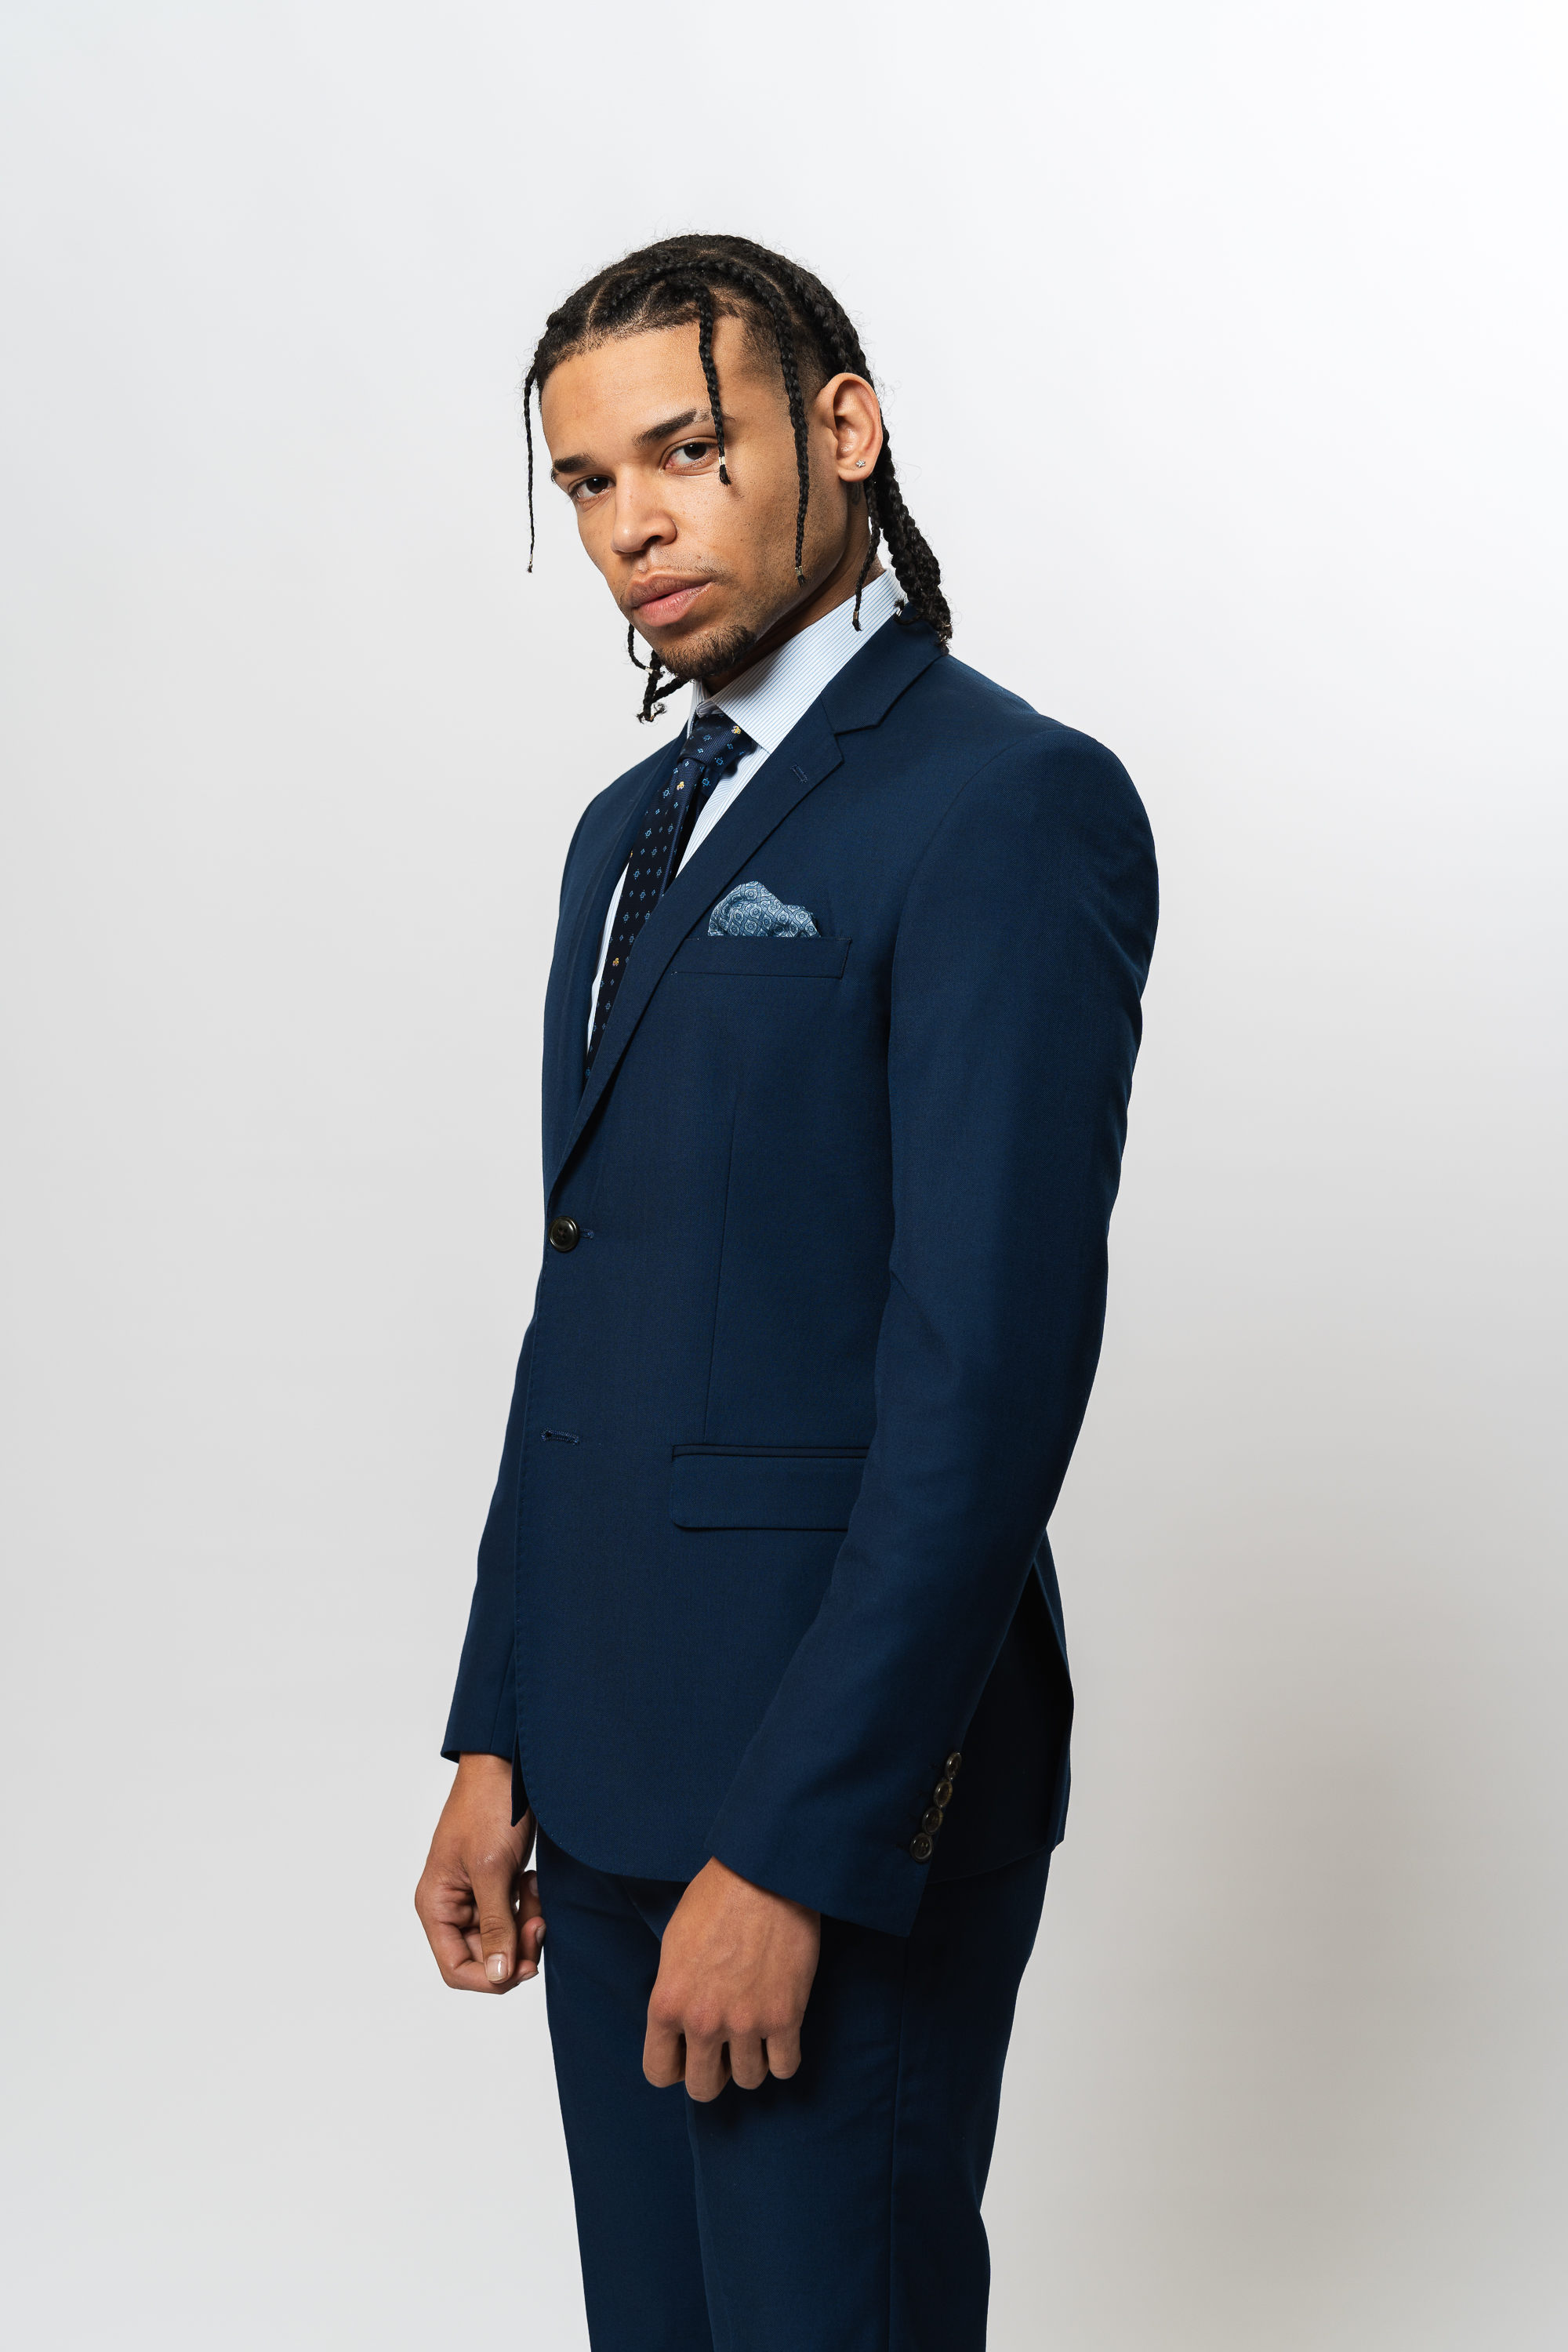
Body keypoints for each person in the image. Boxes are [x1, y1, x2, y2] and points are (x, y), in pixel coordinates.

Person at [414, 233, 1158, 2351]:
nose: (630, 524)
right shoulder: (626, 831)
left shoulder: (1008, 805)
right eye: (585, 482)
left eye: (685, 450)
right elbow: (590, 1307)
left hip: (827, 1799)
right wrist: (497, 1725)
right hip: (602, 1763)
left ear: (842, 428)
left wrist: (805, 1850)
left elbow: (984, 1385)